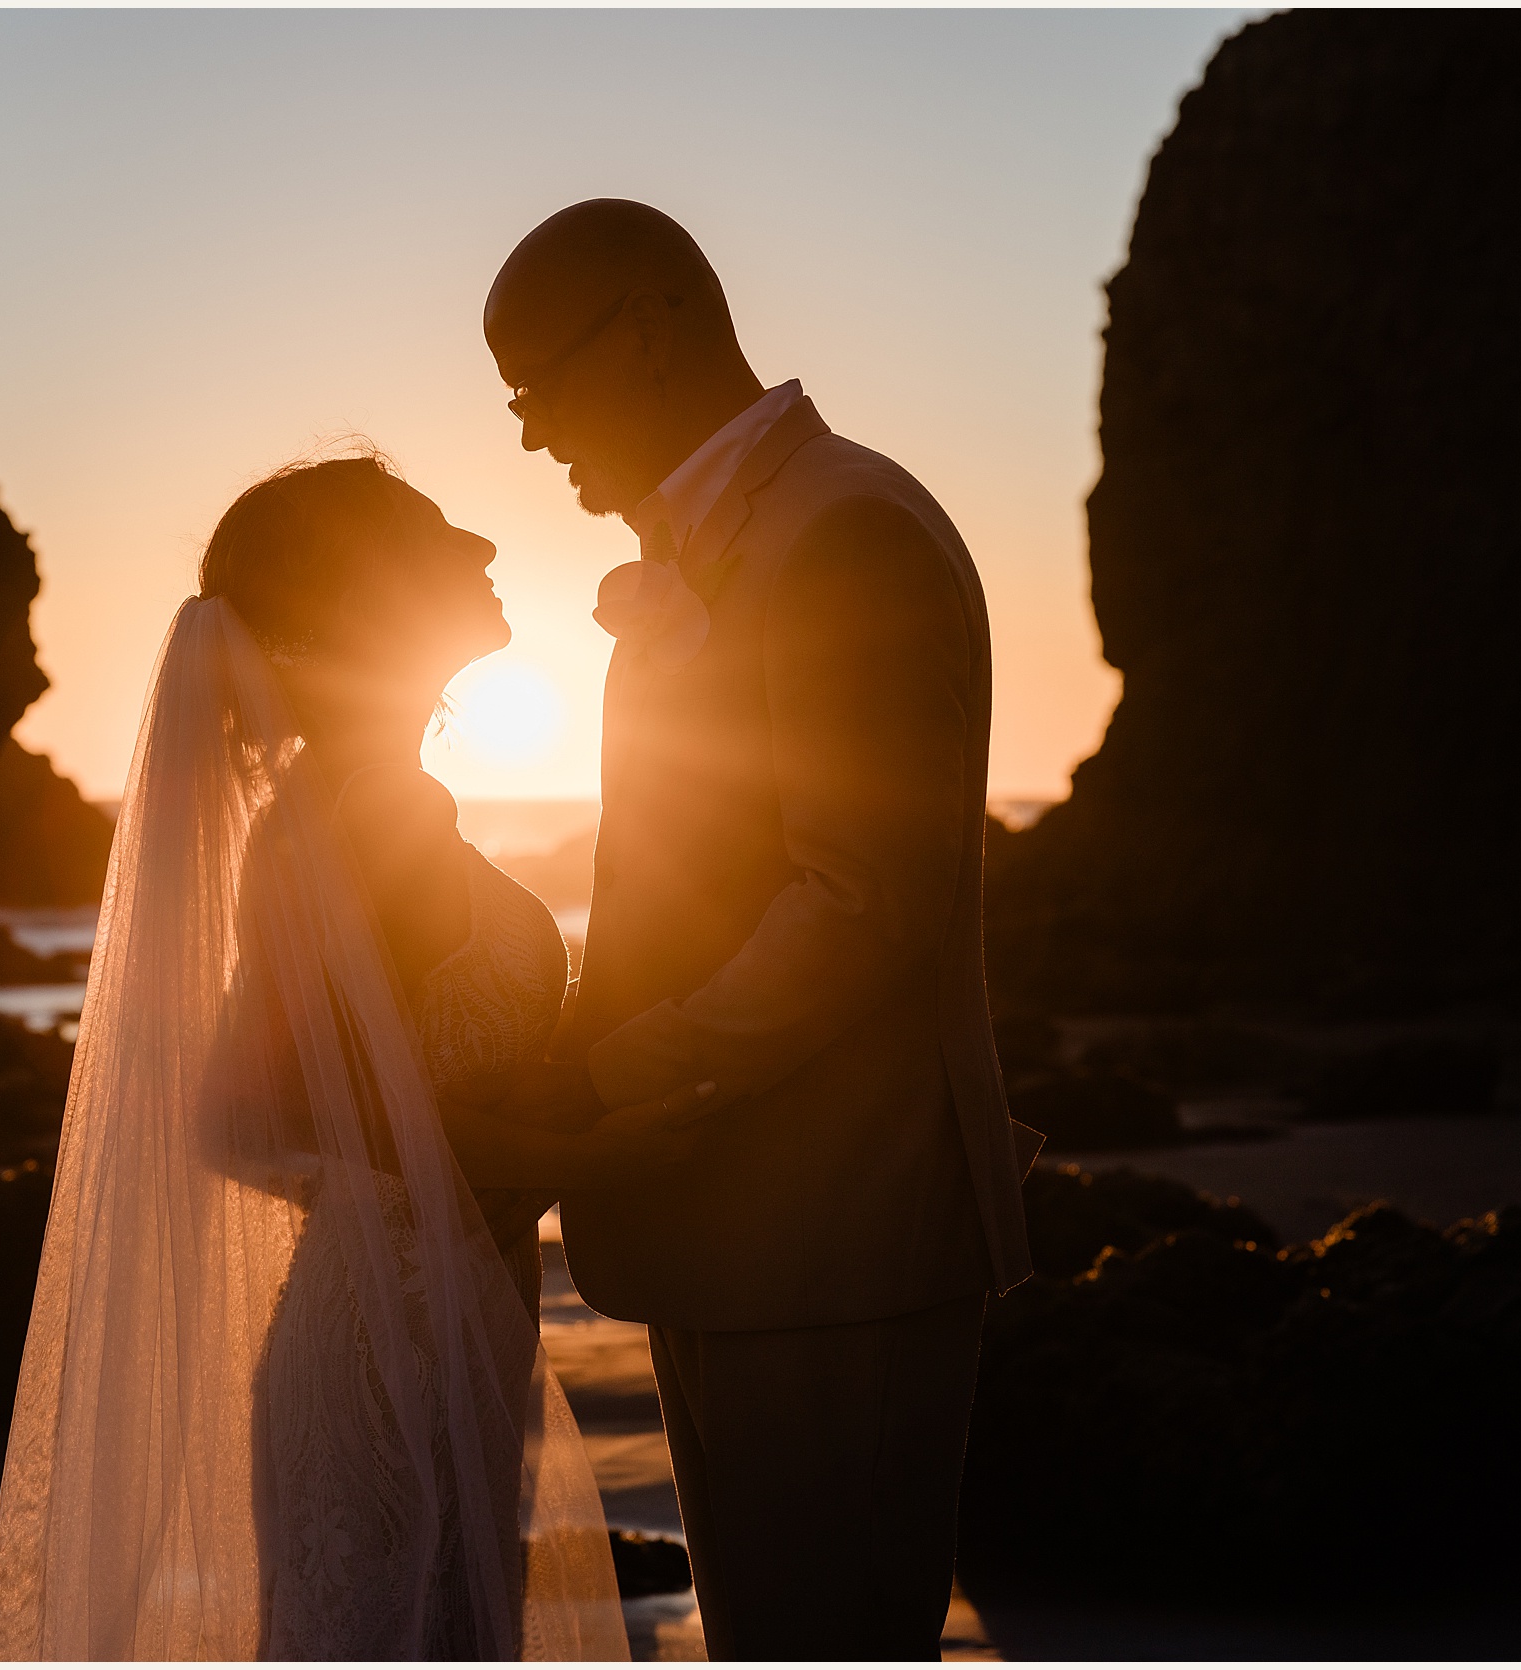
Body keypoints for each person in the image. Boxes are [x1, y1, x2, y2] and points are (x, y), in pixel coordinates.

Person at [0, 455, 685, 1660]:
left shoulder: (343, 804)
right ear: (370, 596)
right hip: (392, 1337)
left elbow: (262, 1111)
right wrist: (616, 1149)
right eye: (435, 530)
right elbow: (281, 1106)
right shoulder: (372, 816)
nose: (482, 544)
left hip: (407, 1314)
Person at [471, 198, 1045, 1659]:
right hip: (730, 1215)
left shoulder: (843, 529)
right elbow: (689, 872)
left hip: (840, 1229)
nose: (530, 435)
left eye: (536, 384)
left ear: (651, 326)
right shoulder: (724, 545)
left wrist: (616, 1069)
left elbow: (862, 899)